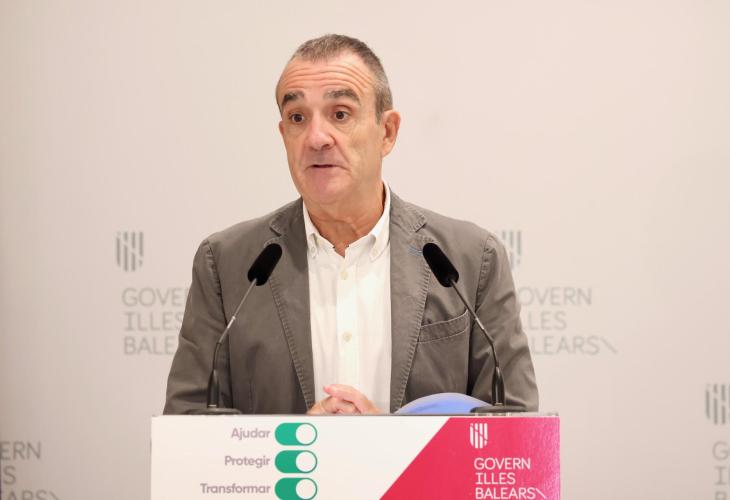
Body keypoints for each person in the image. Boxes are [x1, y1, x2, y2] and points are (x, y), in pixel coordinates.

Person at [163, 34, 538, 415]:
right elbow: (187, 422)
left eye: (340, 114)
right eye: (297, 118)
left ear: (387, 132)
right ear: (283, 135)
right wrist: (294, 439)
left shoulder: (469, 260)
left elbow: (514, 425)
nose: (316, 138)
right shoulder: (228, 264)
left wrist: (385, 441)